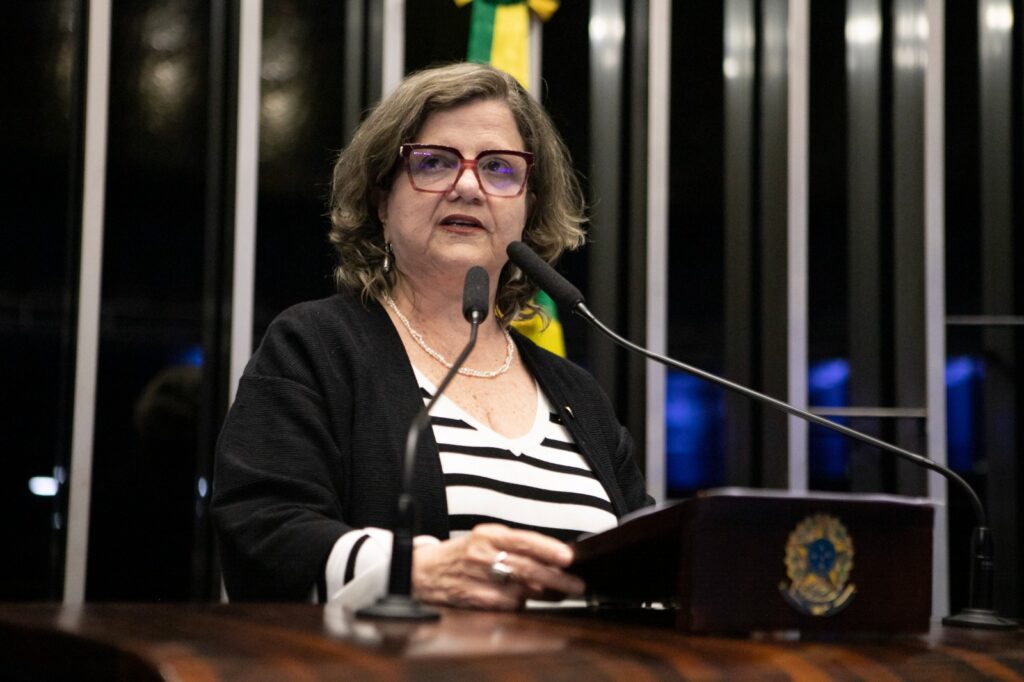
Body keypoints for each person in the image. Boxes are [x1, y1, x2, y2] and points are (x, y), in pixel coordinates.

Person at [212, 62, 652, 610]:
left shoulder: (578, 394)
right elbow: (261, 534)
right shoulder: (317, 346)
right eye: (434, 162)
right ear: (382, 199)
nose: (467, 186)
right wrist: (412, 573)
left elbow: (652, 567)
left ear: (528, 206)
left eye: (498, 168)